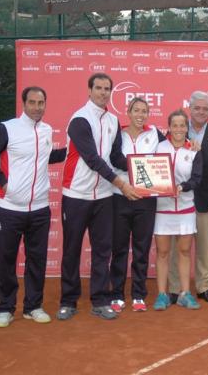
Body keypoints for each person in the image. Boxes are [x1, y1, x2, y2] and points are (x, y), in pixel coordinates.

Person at [0, 86, 66, 327]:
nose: (37, 107)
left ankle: (33, 306)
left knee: (36, 259)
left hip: (39, 208)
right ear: (24, 104)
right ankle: (6, 308)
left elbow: (44, 157)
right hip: (10, 208)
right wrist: (2, 181)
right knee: (6, 259)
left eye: (41, 103)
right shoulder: (8, 129)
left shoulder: (47, 130)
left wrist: (72, 151)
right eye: (33, 102)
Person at [57, 73, 139, 321]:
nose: (103, 92)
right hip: (76, 194)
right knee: (72, 249)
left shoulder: (113, 120)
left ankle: (100, 300)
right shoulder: (79, 119)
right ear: (89, 90)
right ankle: (68, 301)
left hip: (103, 196)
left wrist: (142, 170)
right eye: (99, 88)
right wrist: (121, 184)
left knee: (103, 250)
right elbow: (92, 159)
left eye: (107, 89)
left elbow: (114, 157)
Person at [168, 91, 208, 304]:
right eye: (197, 108)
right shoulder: (177, 133)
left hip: (206, 200)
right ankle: (175, 288)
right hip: (178, 199)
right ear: (190, 109)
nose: (201, 112)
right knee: (179, 247)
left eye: (205, 109)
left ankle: (203, 287)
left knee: (204, 247)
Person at [109, 98, 165, 313]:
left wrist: (191, 144)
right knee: (119, 249)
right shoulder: (118, 133)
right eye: (136, 110)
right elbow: (114, 158)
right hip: (120, 195)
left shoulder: (155, 134)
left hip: (146, 199)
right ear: (129, 112)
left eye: (145, 111)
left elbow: (175, 145)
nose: (140, 115)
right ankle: (117, 294)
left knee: (141, 250)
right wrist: (139, 164)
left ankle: (139, 295)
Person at [153, 109, 203, 310]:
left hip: (185, 207)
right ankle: (162, 295)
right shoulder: (159, 147)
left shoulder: (194, 149)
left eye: (183, 125)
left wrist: (182, 187)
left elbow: (197, 179)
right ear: (169, 127)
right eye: (175, 125)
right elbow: (151, 173)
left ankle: (184, 293)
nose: (179, 129)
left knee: (184, 251)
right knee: (163, 252)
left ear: (187, 127)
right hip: (162, 209)